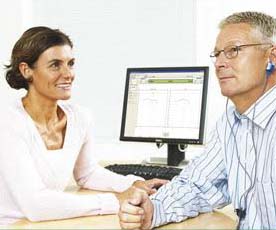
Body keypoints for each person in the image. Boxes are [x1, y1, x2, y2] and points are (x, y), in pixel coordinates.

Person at [118, 11, 276, 229]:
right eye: (217, 54)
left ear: (272, 59)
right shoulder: (232, 121)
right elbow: (197, 186)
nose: (219, 63)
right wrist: (154, 210)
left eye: (233, 51)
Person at [0, 26, 167, 226]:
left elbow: (87, 173)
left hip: (50, 223)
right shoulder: (8, 123)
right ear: (26, 70)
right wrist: (115, 200)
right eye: (55, 65)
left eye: (70, 64)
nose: (68, 74)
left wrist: (132, 183)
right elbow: (36, 206)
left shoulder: (79, 117)